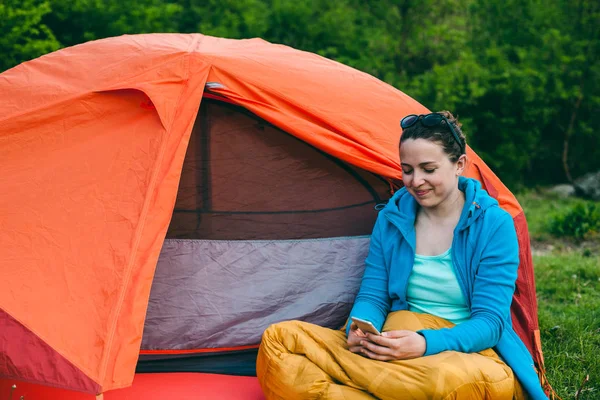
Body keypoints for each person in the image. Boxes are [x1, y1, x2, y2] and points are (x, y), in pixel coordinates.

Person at [256, 111, 547, 399]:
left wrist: (422, 344)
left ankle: (352, 383)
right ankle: (377, 383)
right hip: (394, 343)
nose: (416, 181)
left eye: (428, 169)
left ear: (459, 165)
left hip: (464, 353)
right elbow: (373, 296)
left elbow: (490, 323)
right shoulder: (393, 219)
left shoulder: (493, 224)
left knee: (444, 382)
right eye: (407, 170)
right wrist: (359, 328)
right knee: (278, 341)